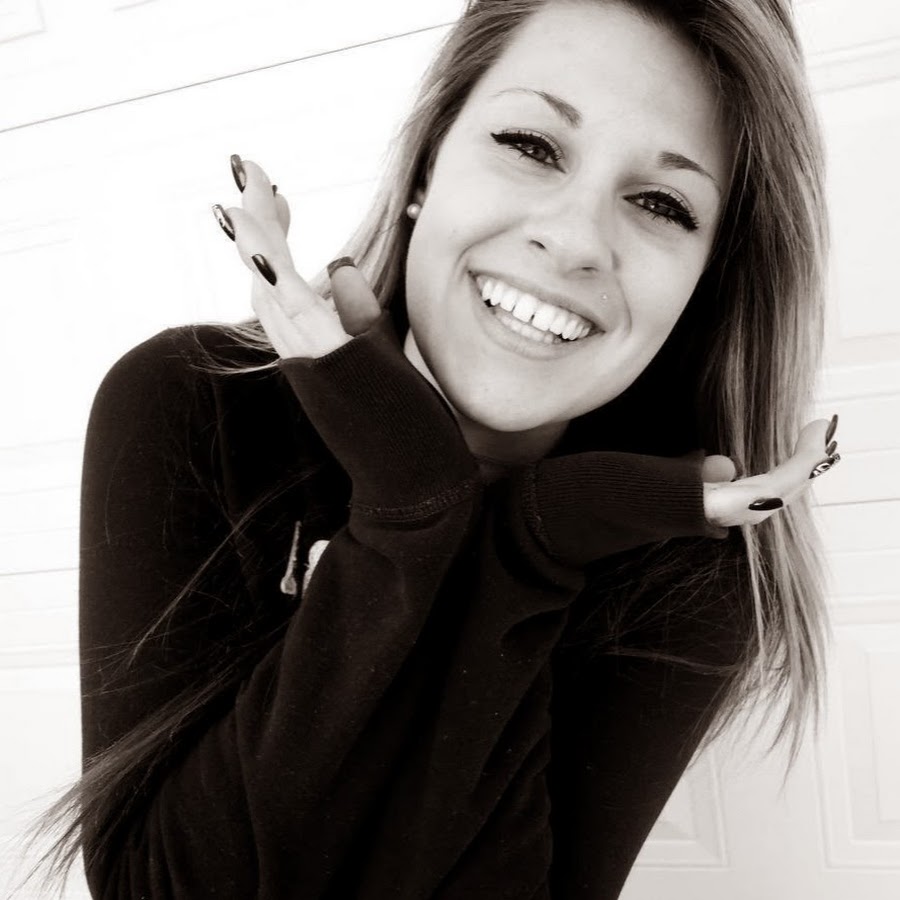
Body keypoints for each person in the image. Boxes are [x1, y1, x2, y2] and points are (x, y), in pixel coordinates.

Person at [30, 0, 840, 897]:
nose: (574, 240)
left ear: (707, 282)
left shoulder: (689, 572)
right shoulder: (194, 401)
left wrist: (520, 550)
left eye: (661, 203)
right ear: (426, 166)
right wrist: (412, 512)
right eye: (532, 145)